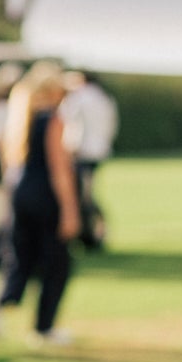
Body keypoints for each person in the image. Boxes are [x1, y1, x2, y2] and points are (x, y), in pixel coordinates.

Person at [0, 62, 80, 345]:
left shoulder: (18, 118)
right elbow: (60, 170)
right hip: (45, 196)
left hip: (18, 193)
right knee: (57, 263)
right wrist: (70, 211)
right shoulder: (52, 119)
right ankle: (43, 328)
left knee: (20, 257)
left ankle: (2, 302)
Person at [61, 70, 119, 248]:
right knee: (87, 193)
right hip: (99, 151)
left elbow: (66, 121)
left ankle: (90, 232)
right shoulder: (104, 98)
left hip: (82, 152)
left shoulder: (78, 97)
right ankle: (91, 231)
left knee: (83, 195)